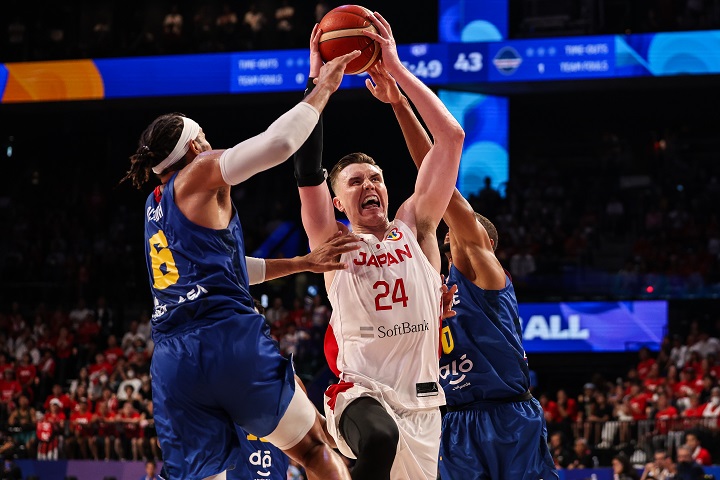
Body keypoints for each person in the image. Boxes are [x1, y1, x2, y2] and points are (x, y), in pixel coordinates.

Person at [120, 49, 362, 480]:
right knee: (312, 449)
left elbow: (230, 268)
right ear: (194, 145)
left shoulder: (154, 206)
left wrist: (301, 263)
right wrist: (324, 88)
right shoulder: (200, 169)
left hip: (173, 361)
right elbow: (279, 144)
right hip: (225, 339)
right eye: (204, 137)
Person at [362, 48, 558, 480]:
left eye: (457, 229)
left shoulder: (483, 269)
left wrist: (399, 104)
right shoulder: (430, 281)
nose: (449, 231)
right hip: (451, 420)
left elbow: (438, 174)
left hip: (506, 417)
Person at [293, 14, 464, 480]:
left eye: (376, 178)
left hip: (423, 406)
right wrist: (318, 85)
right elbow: (306, 169)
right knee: (381, 436)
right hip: (359, 396)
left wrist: (398, 72)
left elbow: (451, 138)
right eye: (355, 181)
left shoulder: (417, 228)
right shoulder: (332, 241)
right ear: (337, 201)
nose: (369, 185)